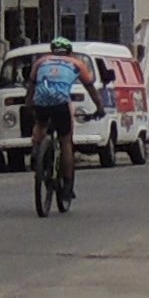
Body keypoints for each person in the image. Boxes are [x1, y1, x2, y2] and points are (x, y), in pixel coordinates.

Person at [24, 35, 97, 195]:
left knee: (41, 124)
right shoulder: (77, 63)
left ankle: (36, 150)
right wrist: (100, 108)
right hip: (60, 102)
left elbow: (31, 85)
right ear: (69, 52)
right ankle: (68, 186)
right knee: (66, 141)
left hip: (41, 99)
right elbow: (90, 87)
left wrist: (29, 104)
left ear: (52, 51)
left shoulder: (41, 62)